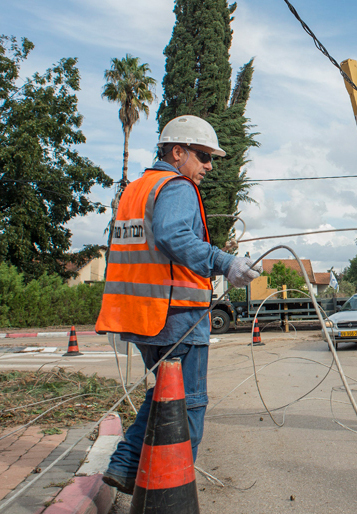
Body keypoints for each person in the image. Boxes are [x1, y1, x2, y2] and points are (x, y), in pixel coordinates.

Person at [96, 115, 262, 495]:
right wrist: (225, 262)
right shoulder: (176, 186)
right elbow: (173, 235)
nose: (208, 166)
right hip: (176, 316)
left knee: (166, 397)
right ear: (177, 152)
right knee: (187, 407)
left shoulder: (136, 189)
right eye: (203, 156)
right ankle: (171, 493)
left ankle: (124, 465)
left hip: (142, 317)